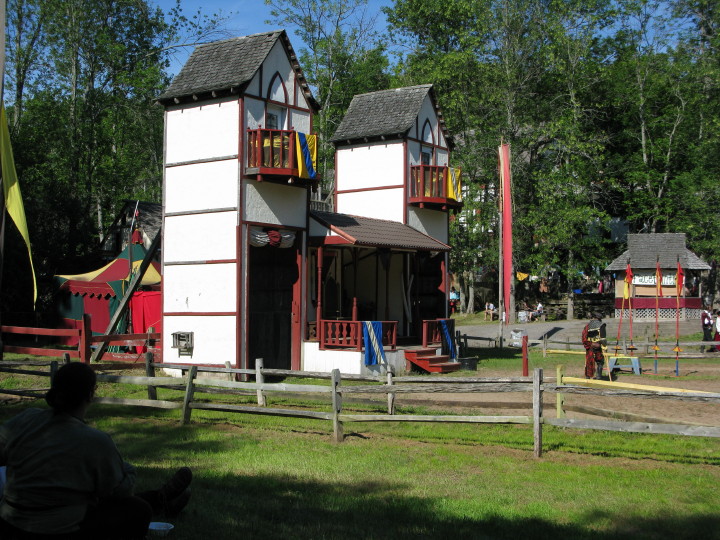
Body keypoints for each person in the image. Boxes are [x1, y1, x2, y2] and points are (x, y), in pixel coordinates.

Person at [0, 362, 192, 539]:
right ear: (91, 394)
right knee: (137, 509)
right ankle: (160, 500)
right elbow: (121, 490)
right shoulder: (94, 441)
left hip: (11, 521)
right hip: (56, 528)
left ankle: (162, 499)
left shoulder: (25, 419)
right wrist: (126, 469)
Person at [582, 312, 607, 380]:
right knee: (600, 361)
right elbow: (603, 338)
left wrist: (589, 343)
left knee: (589, 360)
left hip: (589, 346)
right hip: (598, 345)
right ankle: (598, 377)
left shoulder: (587, 326)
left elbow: (584, 337)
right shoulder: (601, 325)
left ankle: (588, 376)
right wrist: (604, 346)